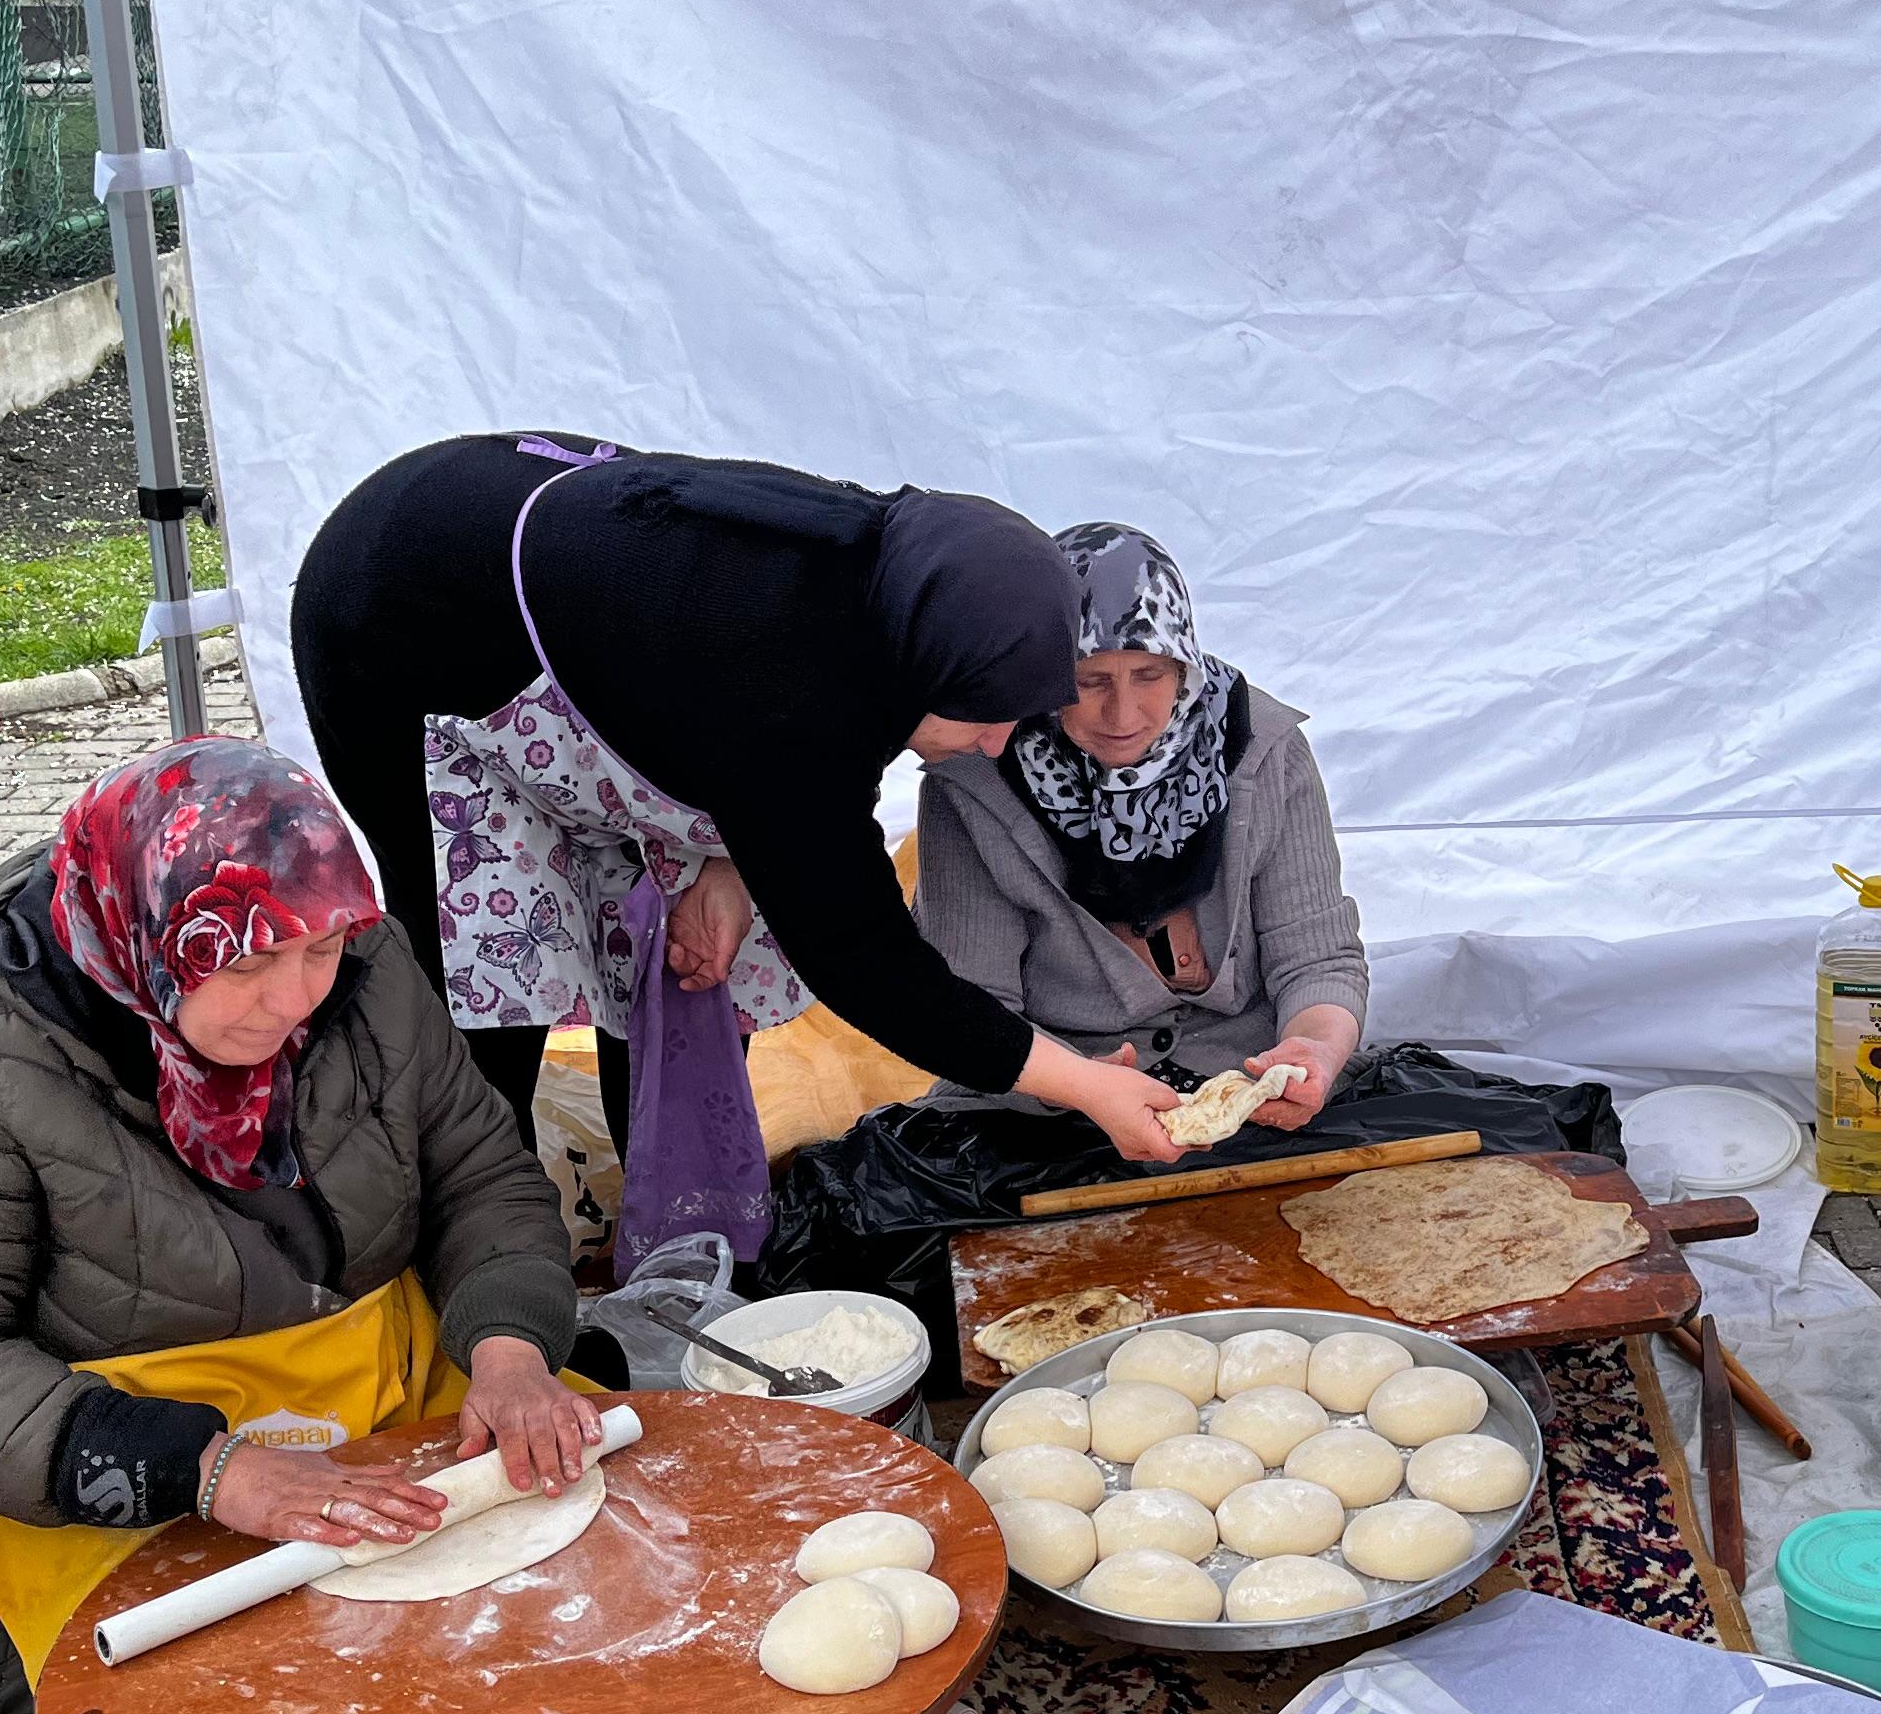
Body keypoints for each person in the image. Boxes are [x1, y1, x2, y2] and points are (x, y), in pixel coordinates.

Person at [0, 739, 590, 1714]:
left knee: (563, 1611)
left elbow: (480, 1177)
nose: (294, 999)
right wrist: (214, 1471)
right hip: (96, 1450)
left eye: (319, 949)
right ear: (146, 935)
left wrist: (511, 1353)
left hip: (360, 1380)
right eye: (248, 962)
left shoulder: (369, 974)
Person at [292, 434, 1185, 1168]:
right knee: (483, 983)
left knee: (677, 954)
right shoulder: (785, 685)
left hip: (609, 614)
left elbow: (792, 780)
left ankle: (668, 1221)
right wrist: (1083, 1084)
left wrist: (732, 866)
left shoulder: (895, 590)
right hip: (401, 609)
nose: (995, 744)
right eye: (981, 716)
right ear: (916, 664)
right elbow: (867, 960)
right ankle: (482, 1238)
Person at [914, 521, 1368, 1113]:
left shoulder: (1265, 750)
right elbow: (967, 1007)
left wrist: (1313, 1051)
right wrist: (1073, 1084)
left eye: (1149, 675)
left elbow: (1318, 960)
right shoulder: (976, 781)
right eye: (1089, 681)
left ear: (1184, 667)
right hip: (1041, 1099)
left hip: (1248, 1083)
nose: (1122, 714)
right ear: (1041, 675)